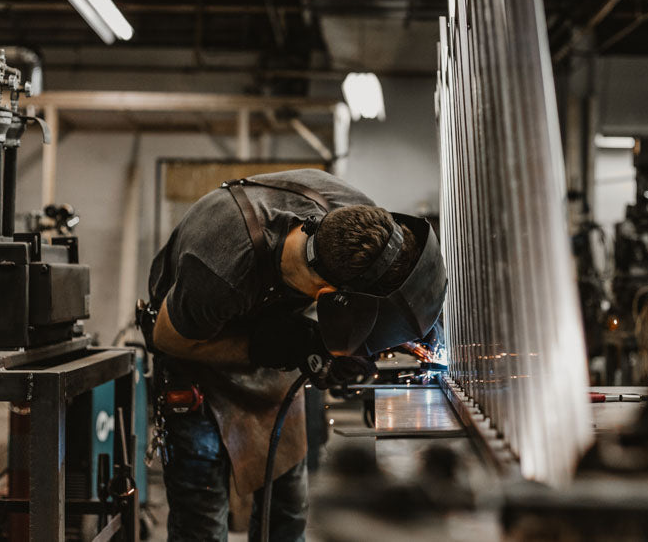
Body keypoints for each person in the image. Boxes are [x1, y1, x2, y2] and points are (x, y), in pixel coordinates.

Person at [141, 168, 445, 542]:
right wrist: (269, 349)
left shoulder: (359, 223)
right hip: (195, 357)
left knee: (287, 512)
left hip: (273, 342)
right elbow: (168, 339)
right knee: (202, 523)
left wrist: (414, 328)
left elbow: (386, 289)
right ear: (328, 294)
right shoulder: (221, 269)